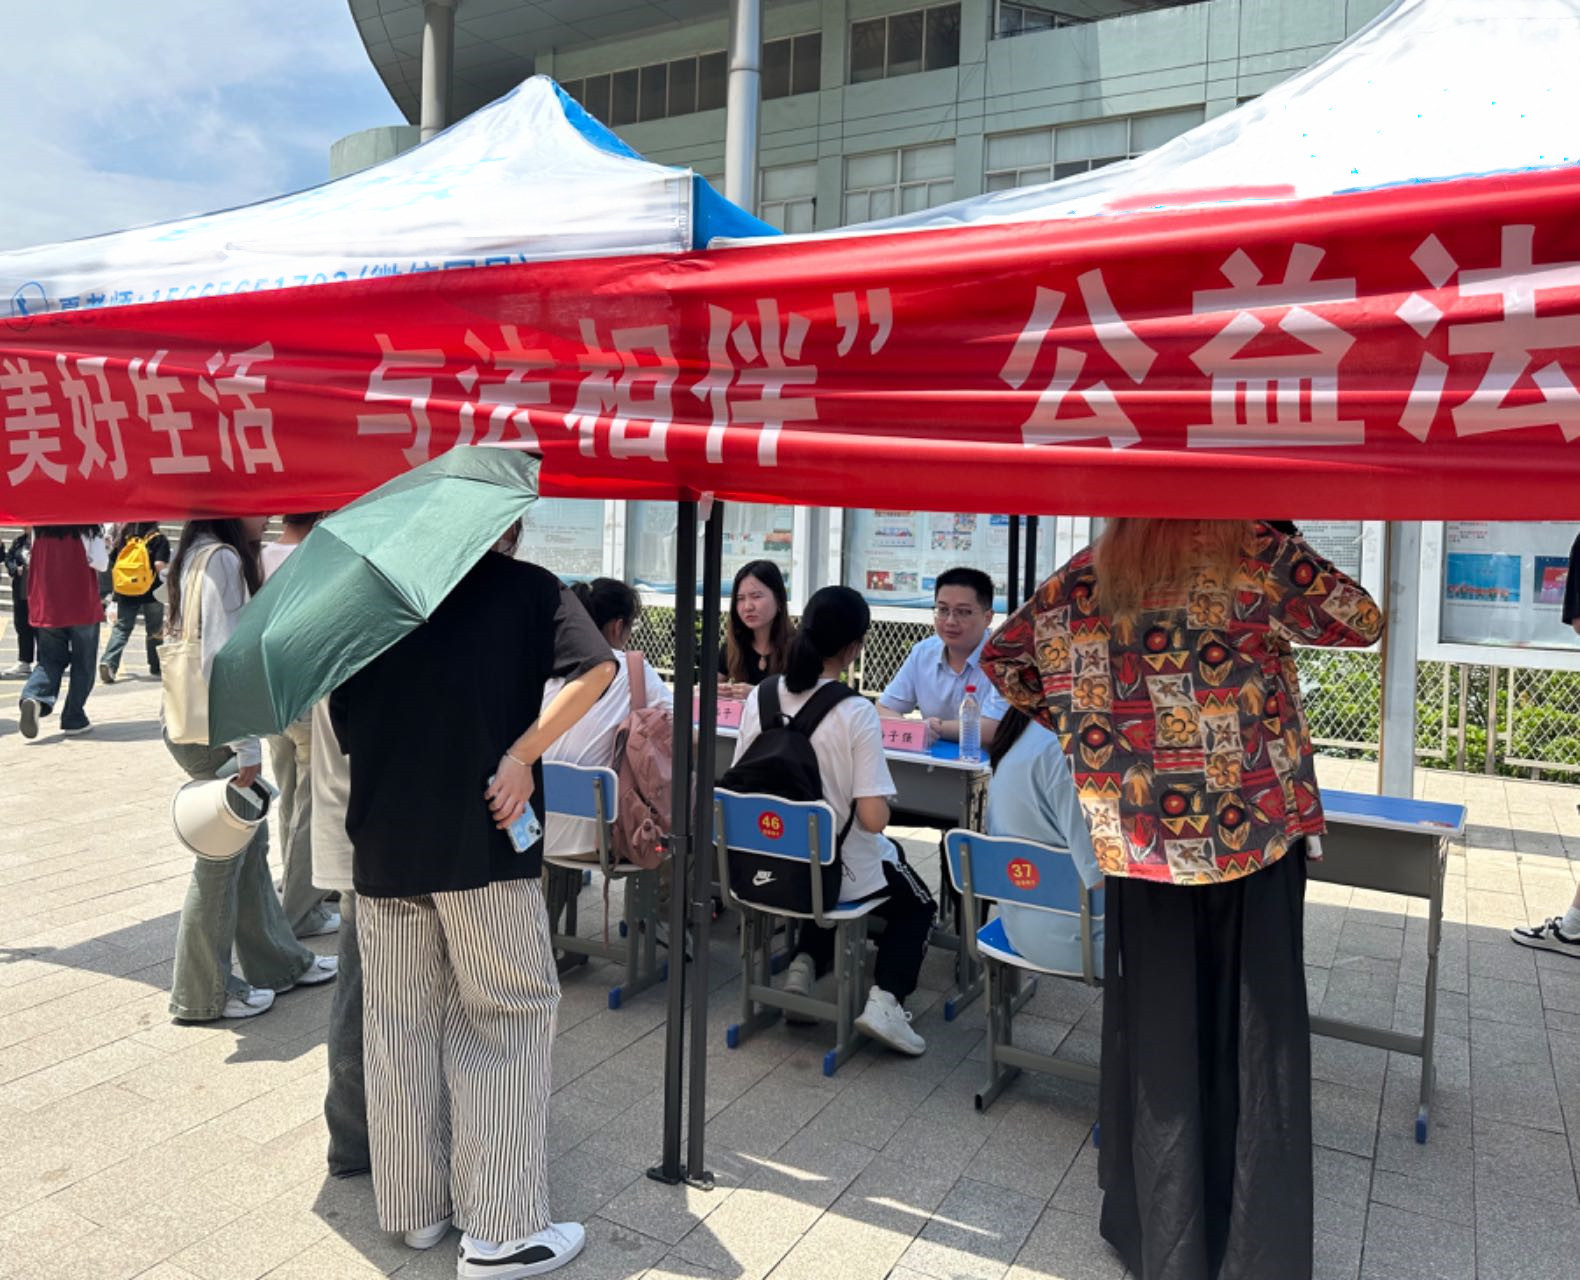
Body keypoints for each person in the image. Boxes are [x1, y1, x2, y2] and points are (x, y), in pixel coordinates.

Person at [983, 518, 1383, 1280]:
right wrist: (1283, 534)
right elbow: (1360, 619)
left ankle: (1160, 1234)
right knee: (1256, 1040)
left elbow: (1008, 658)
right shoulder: (1256, 554)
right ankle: (1254, 1247)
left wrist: (1096, 732)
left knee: (1160, 1039)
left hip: (1144, 841)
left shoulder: (1094, 571)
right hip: (1253, 833)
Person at [330, 520, 615, 1278]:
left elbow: (343, 718)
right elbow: (598, 668)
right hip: (485, 836)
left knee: (400, 1023)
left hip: (385, 839)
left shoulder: (371, 594)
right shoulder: (528, 589)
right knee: (507, 1017)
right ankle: (501, 1230)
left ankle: (417, 1208)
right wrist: (521, 754)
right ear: (505, 521)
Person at [735, 585, 937, 1057]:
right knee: (917, 903)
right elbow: (872, 819)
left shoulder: (762, 695)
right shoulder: (855, 711)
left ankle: (803, 966)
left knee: (838, 861)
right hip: (832, 875)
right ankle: (886, 1002)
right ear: (854, 646)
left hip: (764, 865)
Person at [163, 518, 337, 1022]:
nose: (265, 516)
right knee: (220, 861)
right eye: (255, 507)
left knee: (249, 847)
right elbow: (222, 657)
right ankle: (201, 993)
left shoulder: (195, 549)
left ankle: (280, 962)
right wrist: (246, 745)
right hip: (216, 732)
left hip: (190, 725)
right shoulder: (221, 556)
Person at [543, 577, 673, 862]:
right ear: (618, 626)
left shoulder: (546, 666)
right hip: (600, 842)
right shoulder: (631, 668)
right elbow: (682, 732)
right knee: (679, 832)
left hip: (530, 838)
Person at [261, 514, 338, 940]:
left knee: (290, 795)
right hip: (310, 694)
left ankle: (294, 882)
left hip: (272, 694)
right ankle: (299, 909)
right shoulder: (320, 558)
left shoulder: (260, 558)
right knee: (312, 804)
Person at [985, 707, 1103, 976]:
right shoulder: (1072, 750)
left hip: (1019, 926)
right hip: (1077, 940)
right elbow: (1098, 875)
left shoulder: (1025, 731)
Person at [310, 693, 369, 1178]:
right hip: (368, 843)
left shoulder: (330, 656)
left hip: (355, 836)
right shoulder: (358, 658)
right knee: (359, 999)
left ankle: (353, 1138)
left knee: (356, 994)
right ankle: (353, 1139)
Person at [877, 566, 1009, 747]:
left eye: (963, 612)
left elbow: (993, 729)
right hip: (929, 761)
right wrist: (915, 730)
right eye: (943, 610)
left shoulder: (1005, 660)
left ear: (988, 618)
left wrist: (933, 728)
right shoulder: (923, 653)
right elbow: (884, 708)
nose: (950, 621)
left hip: (989, 762)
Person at [18, 524, 107, 740]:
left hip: (48, 605)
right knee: (84, 663)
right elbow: (101, 563)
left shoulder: (40, 528)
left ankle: (34, 697)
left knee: (49, 660)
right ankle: (74, 718)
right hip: (81, 605)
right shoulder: (89, 528)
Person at [99, 520, 170, 684]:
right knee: (154, 630)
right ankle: (156, 666)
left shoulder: (125, 538)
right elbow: (159, 565)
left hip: (126, 590)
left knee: (122, 628)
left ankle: (109, 662)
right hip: (152, 592)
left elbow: (113, 561)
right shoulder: (158, 539)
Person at [719, 559, 792, 699]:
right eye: (740, 598)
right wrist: (716, 691)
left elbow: (805, 699)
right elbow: (706, 688)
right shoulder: (733, 646)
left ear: (778, 600)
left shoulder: (799, 648)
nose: (748, 607)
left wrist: (758, 693)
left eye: (756, 596)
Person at [3, 530, 33, 678]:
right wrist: (15, 568)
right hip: (21, 589)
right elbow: (9, 559)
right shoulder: (19, 542)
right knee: (22, 625)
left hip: (39, 591)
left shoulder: (43, 539)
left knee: (41, 629)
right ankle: (24, 661)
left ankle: (44, 660)